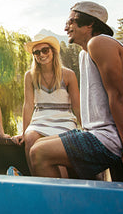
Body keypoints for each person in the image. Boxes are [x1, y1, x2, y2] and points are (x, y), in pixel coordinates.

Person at [29, 1, 123, 180]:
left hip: (121, 139)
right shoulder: (84, 53)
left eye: (71, 21)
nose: (66, 27)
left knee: (39, 153)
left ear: (89, 24)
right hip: (103, 135)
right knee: (38, 145)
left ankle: (61, 207)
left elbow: (117, 96)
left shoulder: (100, 43)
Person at [11, 35, 80, 176]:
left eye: (45, 50)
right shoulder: (30, 76)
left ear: (53, 51)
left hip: (64, 120)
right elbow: (28, 105)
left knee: (53, 149)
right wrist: (24, 132)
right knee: (30, 139)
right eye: (36, 52)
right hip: (40, 118)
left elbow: (77, 106)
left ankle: (61, 188)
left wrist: (85, 127)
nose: (41, 55)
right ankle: (37, 182)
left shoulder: (68, 75)